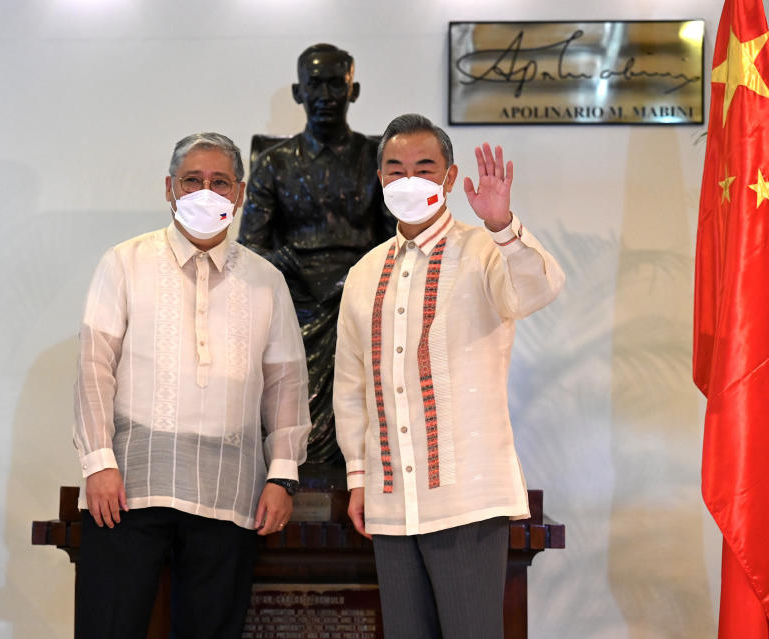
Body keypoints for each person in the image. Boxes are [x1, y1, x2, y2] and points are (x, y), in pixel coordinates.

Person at [333, 114, 565, 638]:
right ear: (380, 180)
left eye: (424, 167)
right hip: (391, 497)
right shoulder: (365, 271)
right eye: (395, 169)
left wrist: (502, 225)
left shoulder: (484, 249)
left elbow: (536, 291)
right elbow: (351, 383)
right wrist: (357, 476)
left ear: (450, 176)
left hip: (466, 497)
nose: (408, 180)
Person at [73, 132, 311, 639]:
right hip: (130, 488)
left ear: (241, 193)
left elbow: (287, 384)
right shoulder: (125, 262)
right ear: (169, 188)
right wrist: (98, 463)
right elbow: (95, 368)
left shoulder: (267, 280)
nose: (206, 191)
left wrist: (282, 475)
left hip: (230, 493)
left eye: (220, 182)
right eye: (192, 180)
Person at [238, 43, 395, 464]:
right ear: (298, 92)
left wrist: (358, 279)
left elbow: (397, 244)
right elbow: (249, 248)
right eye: (315, 85)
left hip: (360, 299)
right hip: (295, 302)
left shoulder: (377, 160)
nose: (325, 96)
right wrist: (282, 264)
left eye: (335, 85)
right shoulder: (273, 164)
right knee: (288, 391)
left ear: (353, 90)